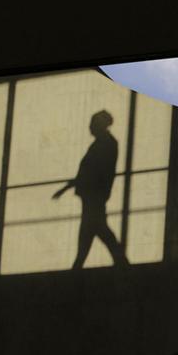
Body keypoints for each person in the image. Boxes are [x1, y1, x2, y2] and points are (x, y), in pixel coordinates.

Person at [52, 110, 129, 268]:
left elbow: (93, 172)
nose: (90, 127)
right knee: (95, 230)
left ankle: (80, 266)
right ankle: (118, 263)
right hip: (93, 195)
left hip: (94, 195)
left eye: (92, 123)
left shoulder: (105, 144)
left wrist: (66, 188)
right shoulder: (104, 143)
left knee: (93, 229)